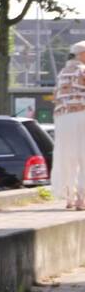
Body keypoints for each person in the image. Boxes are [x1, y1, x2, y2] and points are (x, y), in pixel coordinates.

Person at [52, 40, 85, 210]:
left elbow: (56, 95)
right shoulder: (83, 70)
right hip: (82, 114)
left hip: (63, 117)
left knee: (66, 156)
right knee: (83, 156)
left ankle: (69, 198)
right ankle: (82, 198)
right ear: (82, 54)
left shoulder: (62, 73)